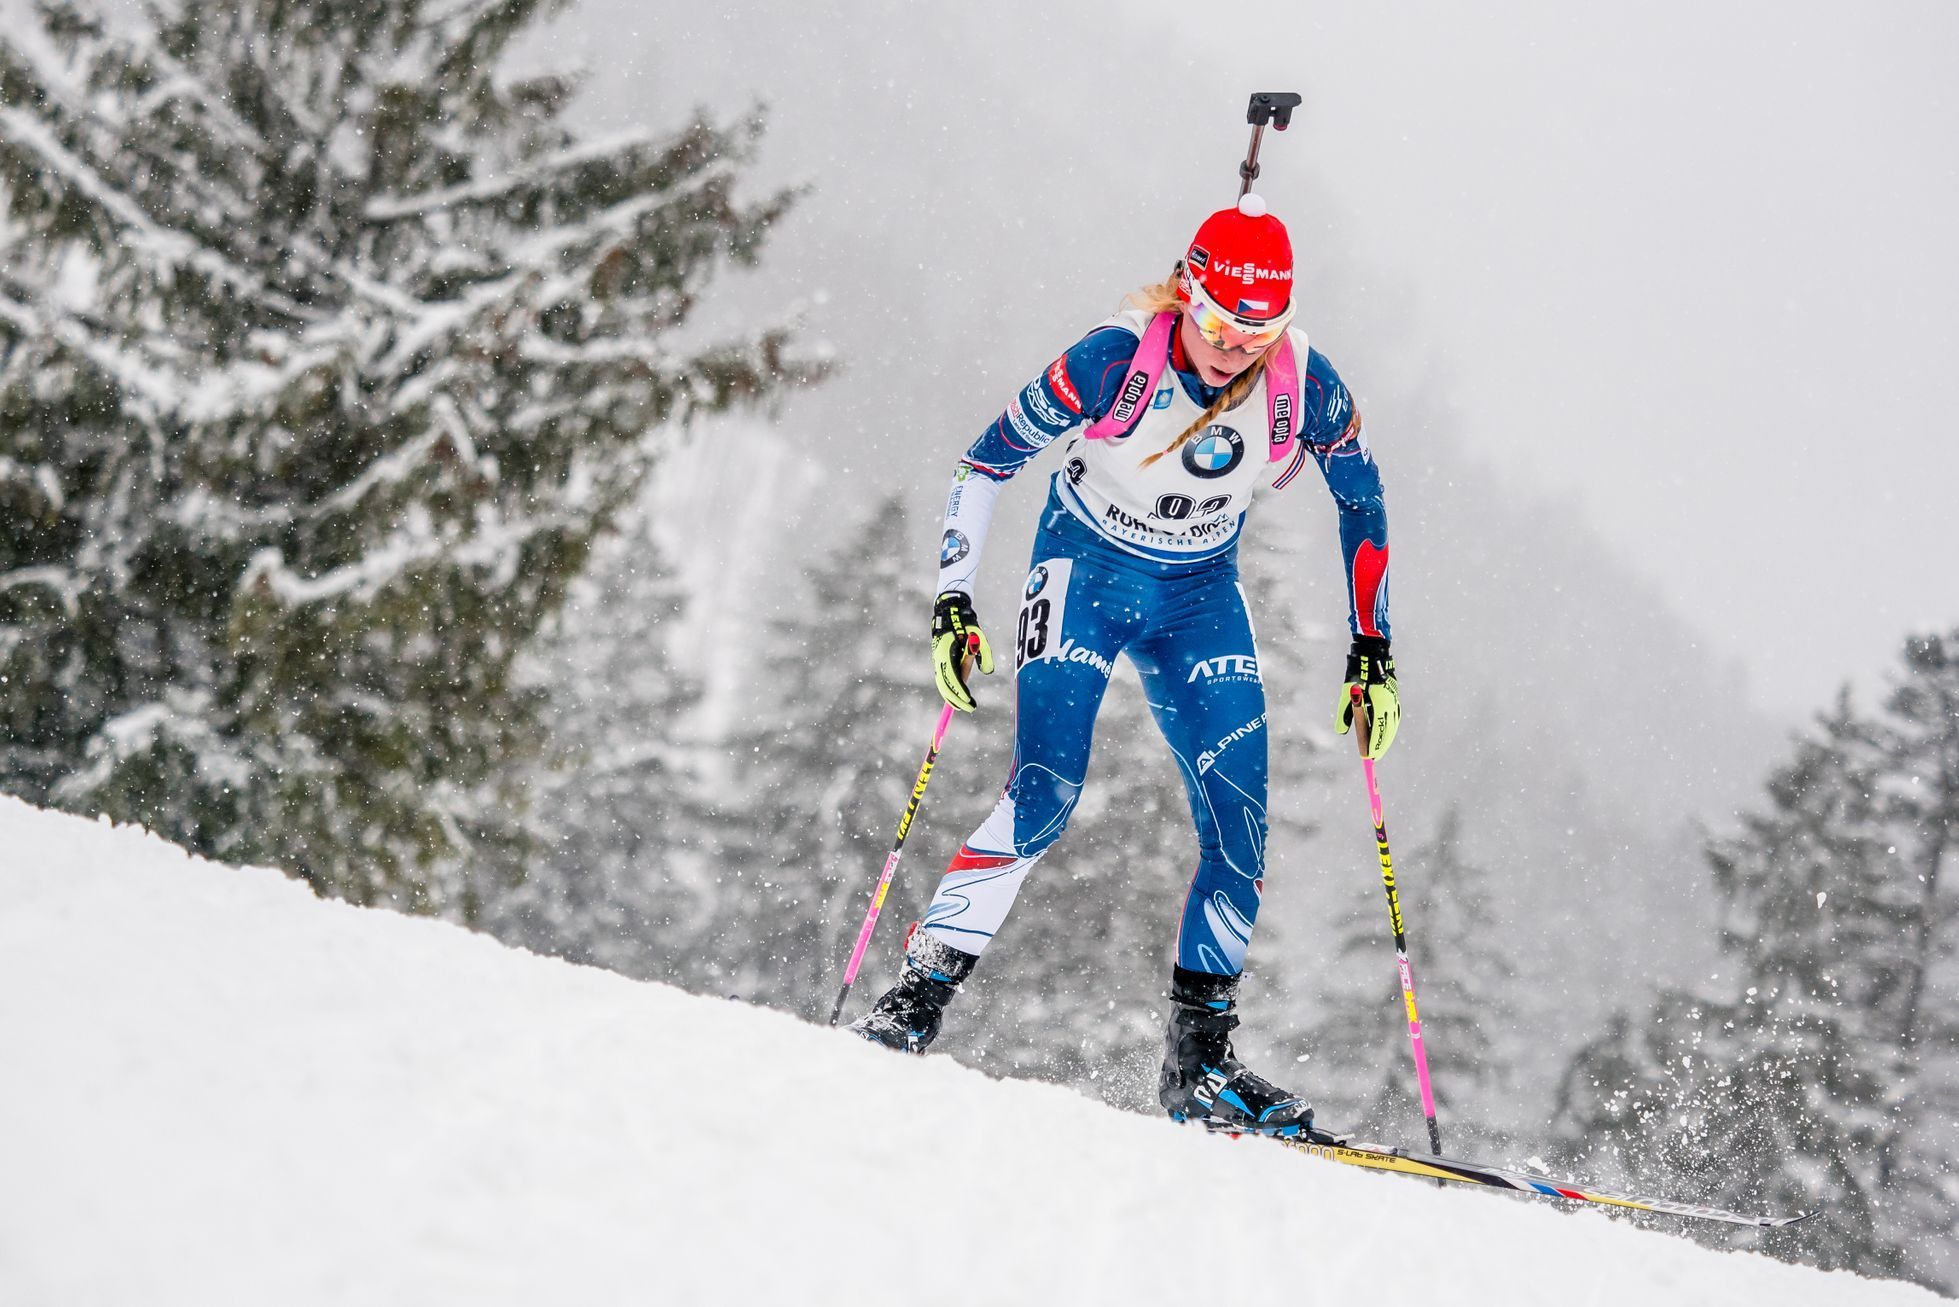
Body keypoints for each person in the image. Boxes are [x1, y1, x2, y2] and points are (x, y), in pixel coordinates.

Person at [850, 194, 1398, 1136]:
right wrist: (952, 598)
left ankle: (1200, 1066)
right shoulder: (1113, 361)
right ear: (1186, 293)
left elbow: (1362, 497)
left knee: (1241, 825)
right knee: (1047, 790)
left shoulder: (1303, 384)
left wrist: (1370, 648)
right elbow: (983, 465)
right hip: (1086, 571)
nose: (1232, 349)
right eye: (1220, 324)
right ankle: (915, 998)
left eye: (1256, 333)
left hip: (1197, 595)